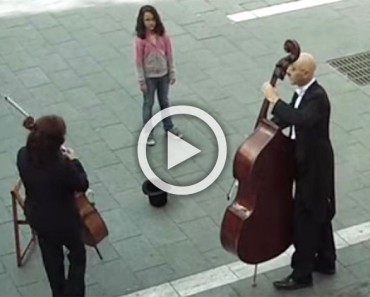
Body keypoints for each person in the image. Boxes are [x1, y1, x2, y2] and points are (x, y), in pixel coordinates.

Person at [262, 52, 336, 290]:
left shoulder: (317, 98)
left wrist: (275, 100)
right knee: (319, 211)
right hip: (306, 160)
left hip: (314, 166)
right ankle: (326, 259)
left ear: (306, 74)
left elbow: (301, 119)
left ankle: (301, 273)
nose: (288, 74)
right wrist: (264, 132)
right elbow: (287, 119)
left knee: (305, 217)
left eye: (292, 70)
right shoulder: (301, 93)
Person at [16, 115, 89, 297]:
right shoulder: (63, 167)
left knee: (51, 259)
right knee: (77, 255)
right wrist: (74, 160)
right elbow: (82, 184)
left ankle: (58, 293)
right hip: (65, 221)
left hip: (38, 217)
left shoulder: (23, 155)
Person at [134, 4, 182, 146]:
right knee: (148, 104)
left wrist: (171, 72)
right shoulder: (140, 40)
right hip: (149, 77)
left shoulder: (163, 36)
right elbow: (139, 61)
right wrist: (141, 80)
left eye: (153, 19)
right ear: (142, 22)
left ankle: (169, 127)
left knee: (164, 101)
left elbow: (169, 55)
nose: (151, 23)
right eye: (147, 20)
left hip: (163, 75)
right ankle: (147, 133)